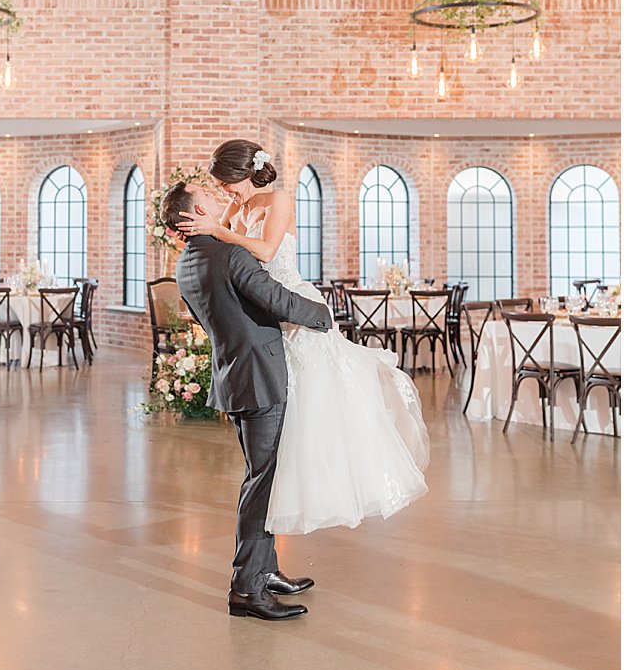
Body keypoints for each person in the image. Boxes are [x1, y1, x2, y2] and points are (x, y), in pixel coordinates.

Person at [178, 142, 432, 533]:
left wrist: (217, 229)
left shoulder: (277, 199)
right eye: (219, 188)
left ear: (245, 175)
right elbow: (221, 248)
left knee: (313, 413)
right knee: (281, 432)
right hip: (268, 319)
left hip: (293, 308)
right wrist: (208, 231)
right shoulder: (235, 207)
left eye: (227, 184)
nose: (225, 193)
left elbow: (264, 251)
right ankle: (267, 559)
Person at [162, 179, 333, 622]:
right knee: (263, 482)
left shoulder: (186, 263)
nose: (218, 198)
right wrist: (323, 313)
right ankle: (246, 590)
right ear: (195, 214)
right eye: (208, 196)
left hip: (234, 376)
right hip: (260, 378)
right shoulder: (229, 253)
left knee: (263, 476)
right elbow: (274, 299)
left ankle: (266, 571)